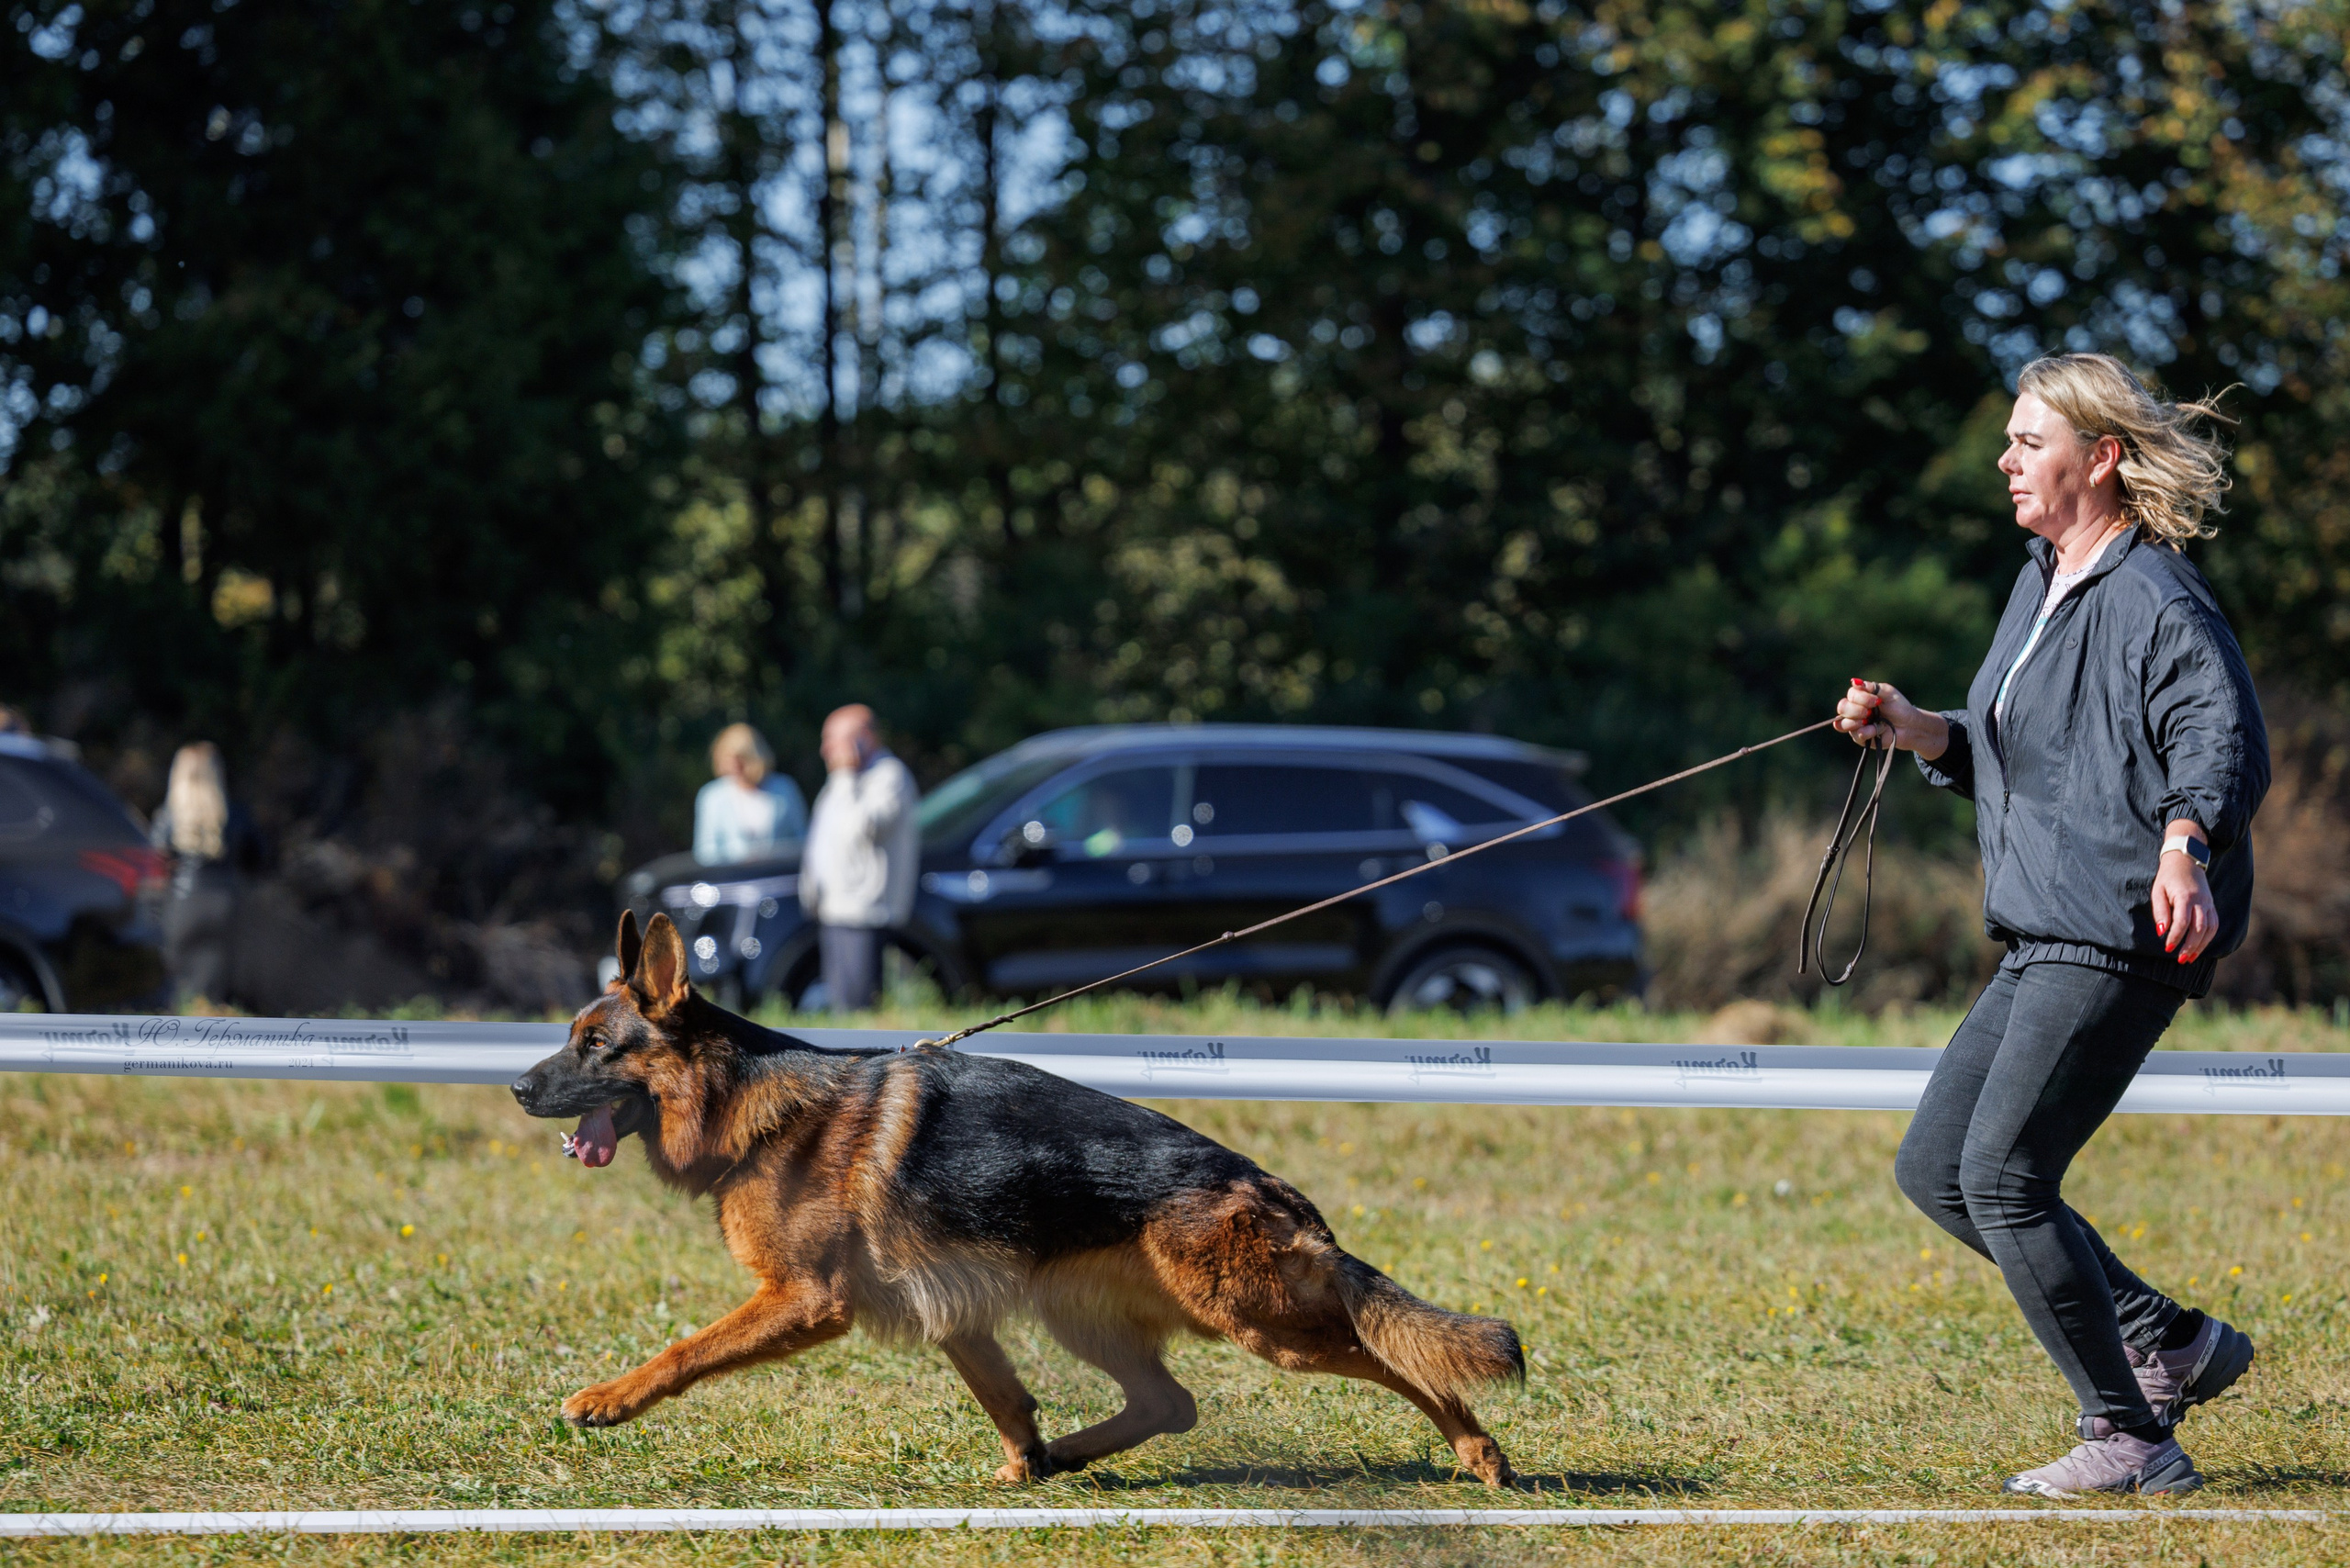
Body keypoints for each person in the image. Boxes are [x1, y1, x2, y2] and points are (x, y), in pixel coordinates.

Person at [1836, 353, 2266, 1497]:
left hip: (2124, 926)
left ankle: (2127, 1433)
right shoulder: (2042, 580)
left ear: (2101, 458)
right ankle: (2165, 1338)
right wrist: (1913, 726)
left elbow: (2218, 741)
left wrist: (2185, 847)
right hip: (2041, 927)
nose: (2005, 459)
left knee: (2004, 1172)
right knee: (1937, 1167)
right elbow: (2013, 757)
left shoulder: (2152, 595)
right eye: (2010, 441)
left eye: (2029, 442)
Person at [798, 704, 920, 1013]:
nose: (826, 750)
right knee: (842, 1005)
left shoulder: (889, 776)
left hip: (864, 912)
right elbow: (822, 839)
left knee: (857, 1009)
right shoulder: (841, 781)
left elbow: (862, 829)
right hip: (834, 909)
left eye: (833, 739)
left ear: (863, 738)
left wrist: (845, 775)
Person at [150, 741, 264, 1007]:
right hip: (224, 905)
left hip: (182, 907)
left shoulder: (168, 820)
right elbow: (258, 859)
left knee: (176, 991)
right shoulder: (236, 816)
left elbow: (156, 869)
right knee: (213, 994)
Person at [692, 722, 808, 866]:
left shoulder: (784, 788)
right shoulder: (712, 796)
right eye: (728, 758)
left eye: (741, 758)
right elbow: (705, 851)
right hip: (732, 881)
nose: (734, 765)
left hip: (777, 877)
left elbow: (801, 838)